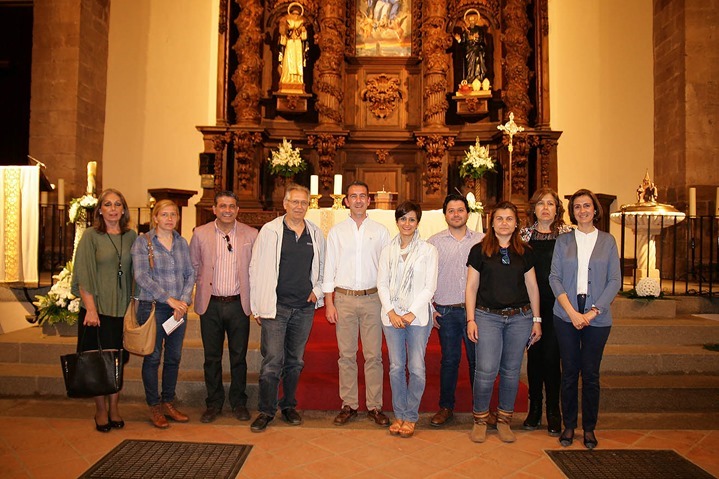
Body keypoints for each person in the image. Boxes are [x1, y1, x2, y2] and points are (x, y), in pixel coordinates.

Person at [249, 184, 326, 432]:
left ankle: (289, 406)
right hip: (276, 307)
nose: (299, 207)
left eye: (304, 203)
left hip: (303, 308)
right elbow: (255, 268)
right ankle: (266, 410)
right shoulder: (270, 231)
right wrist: (257, 305)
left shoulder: (315, 232)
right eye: (295, 202)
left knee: (295, 361)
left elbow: (324, 266)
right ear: (285, 204)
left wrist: (318, 291)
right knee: (272, 361)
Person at [549, 189, 621, 449]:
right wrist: (571, 312)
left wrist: (592, 312)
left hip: (597, 316)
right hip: (566, 314)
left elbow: (615, 281)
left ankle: (589, 428)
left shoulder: (608, 241)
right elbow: (554, 278)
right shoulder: (563, 241)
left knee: (590, 374)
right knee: (569, 372)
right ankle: (569, 425)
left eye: (587, 206)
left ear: (595, 210)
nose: (582, 210)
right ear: (573, 211)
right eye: (577, 206)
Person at [466, 201, 541, 443]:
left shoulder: (525, 251)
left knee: (510, 372)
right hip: (488, 317)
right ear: (492, 222)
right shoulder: (479, 251)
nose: (504, 223)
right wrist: (471, 319)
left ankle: (504, 420)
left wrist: (537, 320)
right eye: (500, 218)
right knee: (486, 370)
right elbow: (471, 287)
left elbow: (532, 286)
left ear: (517, 223)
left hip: (520, 317)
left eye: (509, 218)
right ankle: (480, 419)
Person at [323, 181, 391, 427]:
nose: (359, 200)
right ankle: (349, 404)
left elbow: (387, 268)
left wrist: (388, 302)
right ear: (347, 201)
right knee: (347, 355)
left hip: (373, 299)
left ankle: (374, 406)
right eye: (354, 196)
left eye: (363, 195)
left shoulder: (381, 231)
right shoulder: (337, 232)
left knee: (374, 356)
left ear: (369, 200)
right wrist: (329, 303)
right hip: (344, 299)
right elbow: (328, 267)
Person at [71, 188, 137, 432]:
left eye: (117, 204)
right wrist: (90, 309)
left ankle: (115, 407)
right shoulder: (91, 236)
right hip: (96, 310)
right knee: (97, 360)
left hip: (122, 309)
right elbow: (84, 274)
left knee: (117, 360)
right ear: (99, 209)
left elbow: (136, 273)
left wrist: (135, 306)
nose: (113, 209)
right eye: (107, 204)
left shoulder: (131, 237)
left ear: (123, 209)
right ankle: (100, 410)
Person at [190, 191, 258, 424]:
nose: (227, 210)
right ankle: (214, 402)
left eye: (231, 206)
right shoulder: (200, 234)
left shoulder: (251, 234)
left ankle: (238, 402)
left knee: (239, 357)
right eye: (222, 206)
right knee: (212, 357)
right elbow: (194, 266)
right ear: (214, 209)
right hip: (211, 304)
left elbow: (256, 271)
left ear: (238, 210)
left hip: (238, 304)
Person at [131, 200, 196, 428]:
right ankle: (154, 405)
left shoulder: (181, 242)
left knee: (173, 357)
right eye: (165, 215)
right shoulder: (144, 242)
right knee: (153, 358)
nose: (170, 219)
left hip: (178, 310)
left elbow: (190, 274)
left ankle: (168, 401)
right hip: (154, 308)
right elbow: (142, 276)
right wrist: (170, 300)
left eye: (174, 215)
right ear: (156, 217)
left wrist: (184, 301)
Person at [377, 201, 438, 438]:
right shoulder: (387, 250)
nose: (407, 223)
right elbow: (381, 283)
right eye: (403, 219)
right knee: (395, 367)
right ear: (397, 221)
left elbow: (429, 286)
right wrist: (391, 311)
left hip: (418, 317)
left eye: (412, 219)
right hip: (391, 317)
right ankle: (399, 414)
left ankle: (411, 416)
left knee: (417, 368)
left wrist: (410, 312)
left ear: (417, 222)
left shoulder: (428, 250)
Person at [427, 194, 484, 427]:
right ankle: (446, 406)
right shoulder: (434, 242)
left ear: (468, 213)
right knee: (450, 360)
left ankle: (479, 409)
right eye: (451, 211)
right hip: (446, 310)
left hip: (476, 313)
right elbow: (426, 277)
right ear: (445, 215)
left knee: (477, 361)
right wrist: (430, 308)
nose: (456, 214)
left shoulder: (482, 240)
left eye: (460, 210)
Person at [519, 188, 572, 436]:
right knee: (534, 359)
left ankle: (553, 411)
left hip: (558, 306)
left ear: (557, 209)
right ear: (534, 208)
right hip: (531, 305)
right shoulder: (523, 236)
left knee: (553, 358)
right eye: (541, 203)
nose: (545, 208)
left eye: (550, 203)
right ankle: (534, 409)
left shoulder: (567, 236)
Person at [455, 10, 492, 85]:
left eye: (473, 20)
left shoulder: (479, 30)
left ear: (475, 21)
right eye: (470, 20)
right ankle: (470, 79)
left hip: (478, 51)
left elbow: (481, 40)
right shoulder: (466, 32)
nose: (472, 21)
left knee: (478, 65)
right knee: (470, 67)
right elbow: (463, 43)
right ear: (468, 21)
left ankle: (479, 79)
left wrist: (475, 39)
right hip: (469, 51)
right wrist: (459, 40)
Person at [278, 2, 309, 92]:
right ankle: (287, 79)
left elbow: (304, 37)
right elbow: (283, 33)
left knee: (297, 62)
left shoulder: (303, 21)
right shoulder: (286, 19)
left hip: (297, 44)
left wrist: (303, 31)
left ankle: (297, 80)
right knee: (288, 60)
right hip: (290, 43)